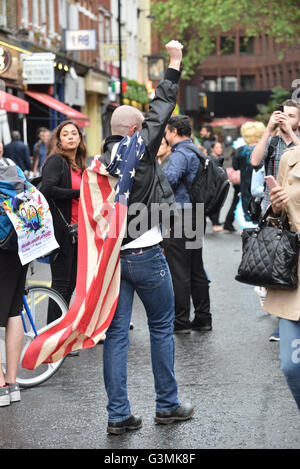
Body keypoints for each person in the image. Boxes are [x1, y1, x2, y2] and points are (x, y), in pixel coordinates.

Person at [99, 40, 194, 435]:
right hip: (146, 252)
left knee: (117, 336)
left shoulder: (101, 161)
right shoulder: (139, 148)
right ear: (137, 131)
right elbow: (162, 106)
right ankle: (167, 405)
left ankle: (118, 415)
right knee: (160, 327)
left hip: (114, 258)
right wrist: (174, 63)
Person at [251, 101, 300, 340]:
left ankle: (287, 320)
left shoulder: (296, 140)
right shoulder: (271, 141)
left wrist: (291, 133)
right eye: (283, 115)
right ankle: (283, 317)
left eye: (292, 116)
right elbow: (253, 161)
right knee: (277, 261)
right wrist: (269, 129)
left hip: (297, 211)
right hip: (273, 209)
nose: (286, 119)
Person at [163, 115, 211, 334]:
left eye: (166, 132)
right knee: (195, 268)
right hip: (196, 214)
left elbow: (170, 180)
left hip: (181, 216)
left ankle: (181, 320)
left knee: (179, 270)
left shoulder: (181, 154)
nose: (165, 136)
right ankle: (203, 317)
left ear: (173, 131)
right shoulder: (197, 151)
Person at [263, 144, 300, 411]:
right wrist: (275, 209)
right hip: (294, 281)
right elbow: (277, 222)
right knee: (291, 365)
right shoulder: (290, 159)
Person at [40, 121, 86, 325]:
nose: (70, 137)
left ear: (80, 138)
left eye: (74, 133)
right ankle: (51, 337)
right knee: (60, 285)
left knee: (70, 286)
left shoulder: (79, 164)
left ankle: (62, 333)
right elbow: (47, 189)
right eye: (65, 134)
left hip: (78, 233)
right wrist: (80, 193)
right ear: (59, 140)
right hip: (62, 233)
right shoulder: (56, 161)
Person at [0, 145, 31, 406]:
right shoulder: (13, 167)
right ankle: (12, 382)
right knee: (13, 311)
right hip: (18, 246)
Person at [233, 121, 266, 222]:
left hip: (246, 187)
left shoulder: (240, 150)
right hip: (262, 185)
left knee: (249, 214)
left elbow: (235, 166)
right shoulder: (265, 149)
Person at [208, 141, 224, 232]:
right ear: (212, 148)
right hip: (212, 185)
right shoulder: (210, 159)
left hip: (219, 184)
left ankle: (216, 222)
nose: (219, 149)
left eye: (220, 147)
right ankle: (215, 223)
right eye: (217, 147)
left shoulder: (220, 158)